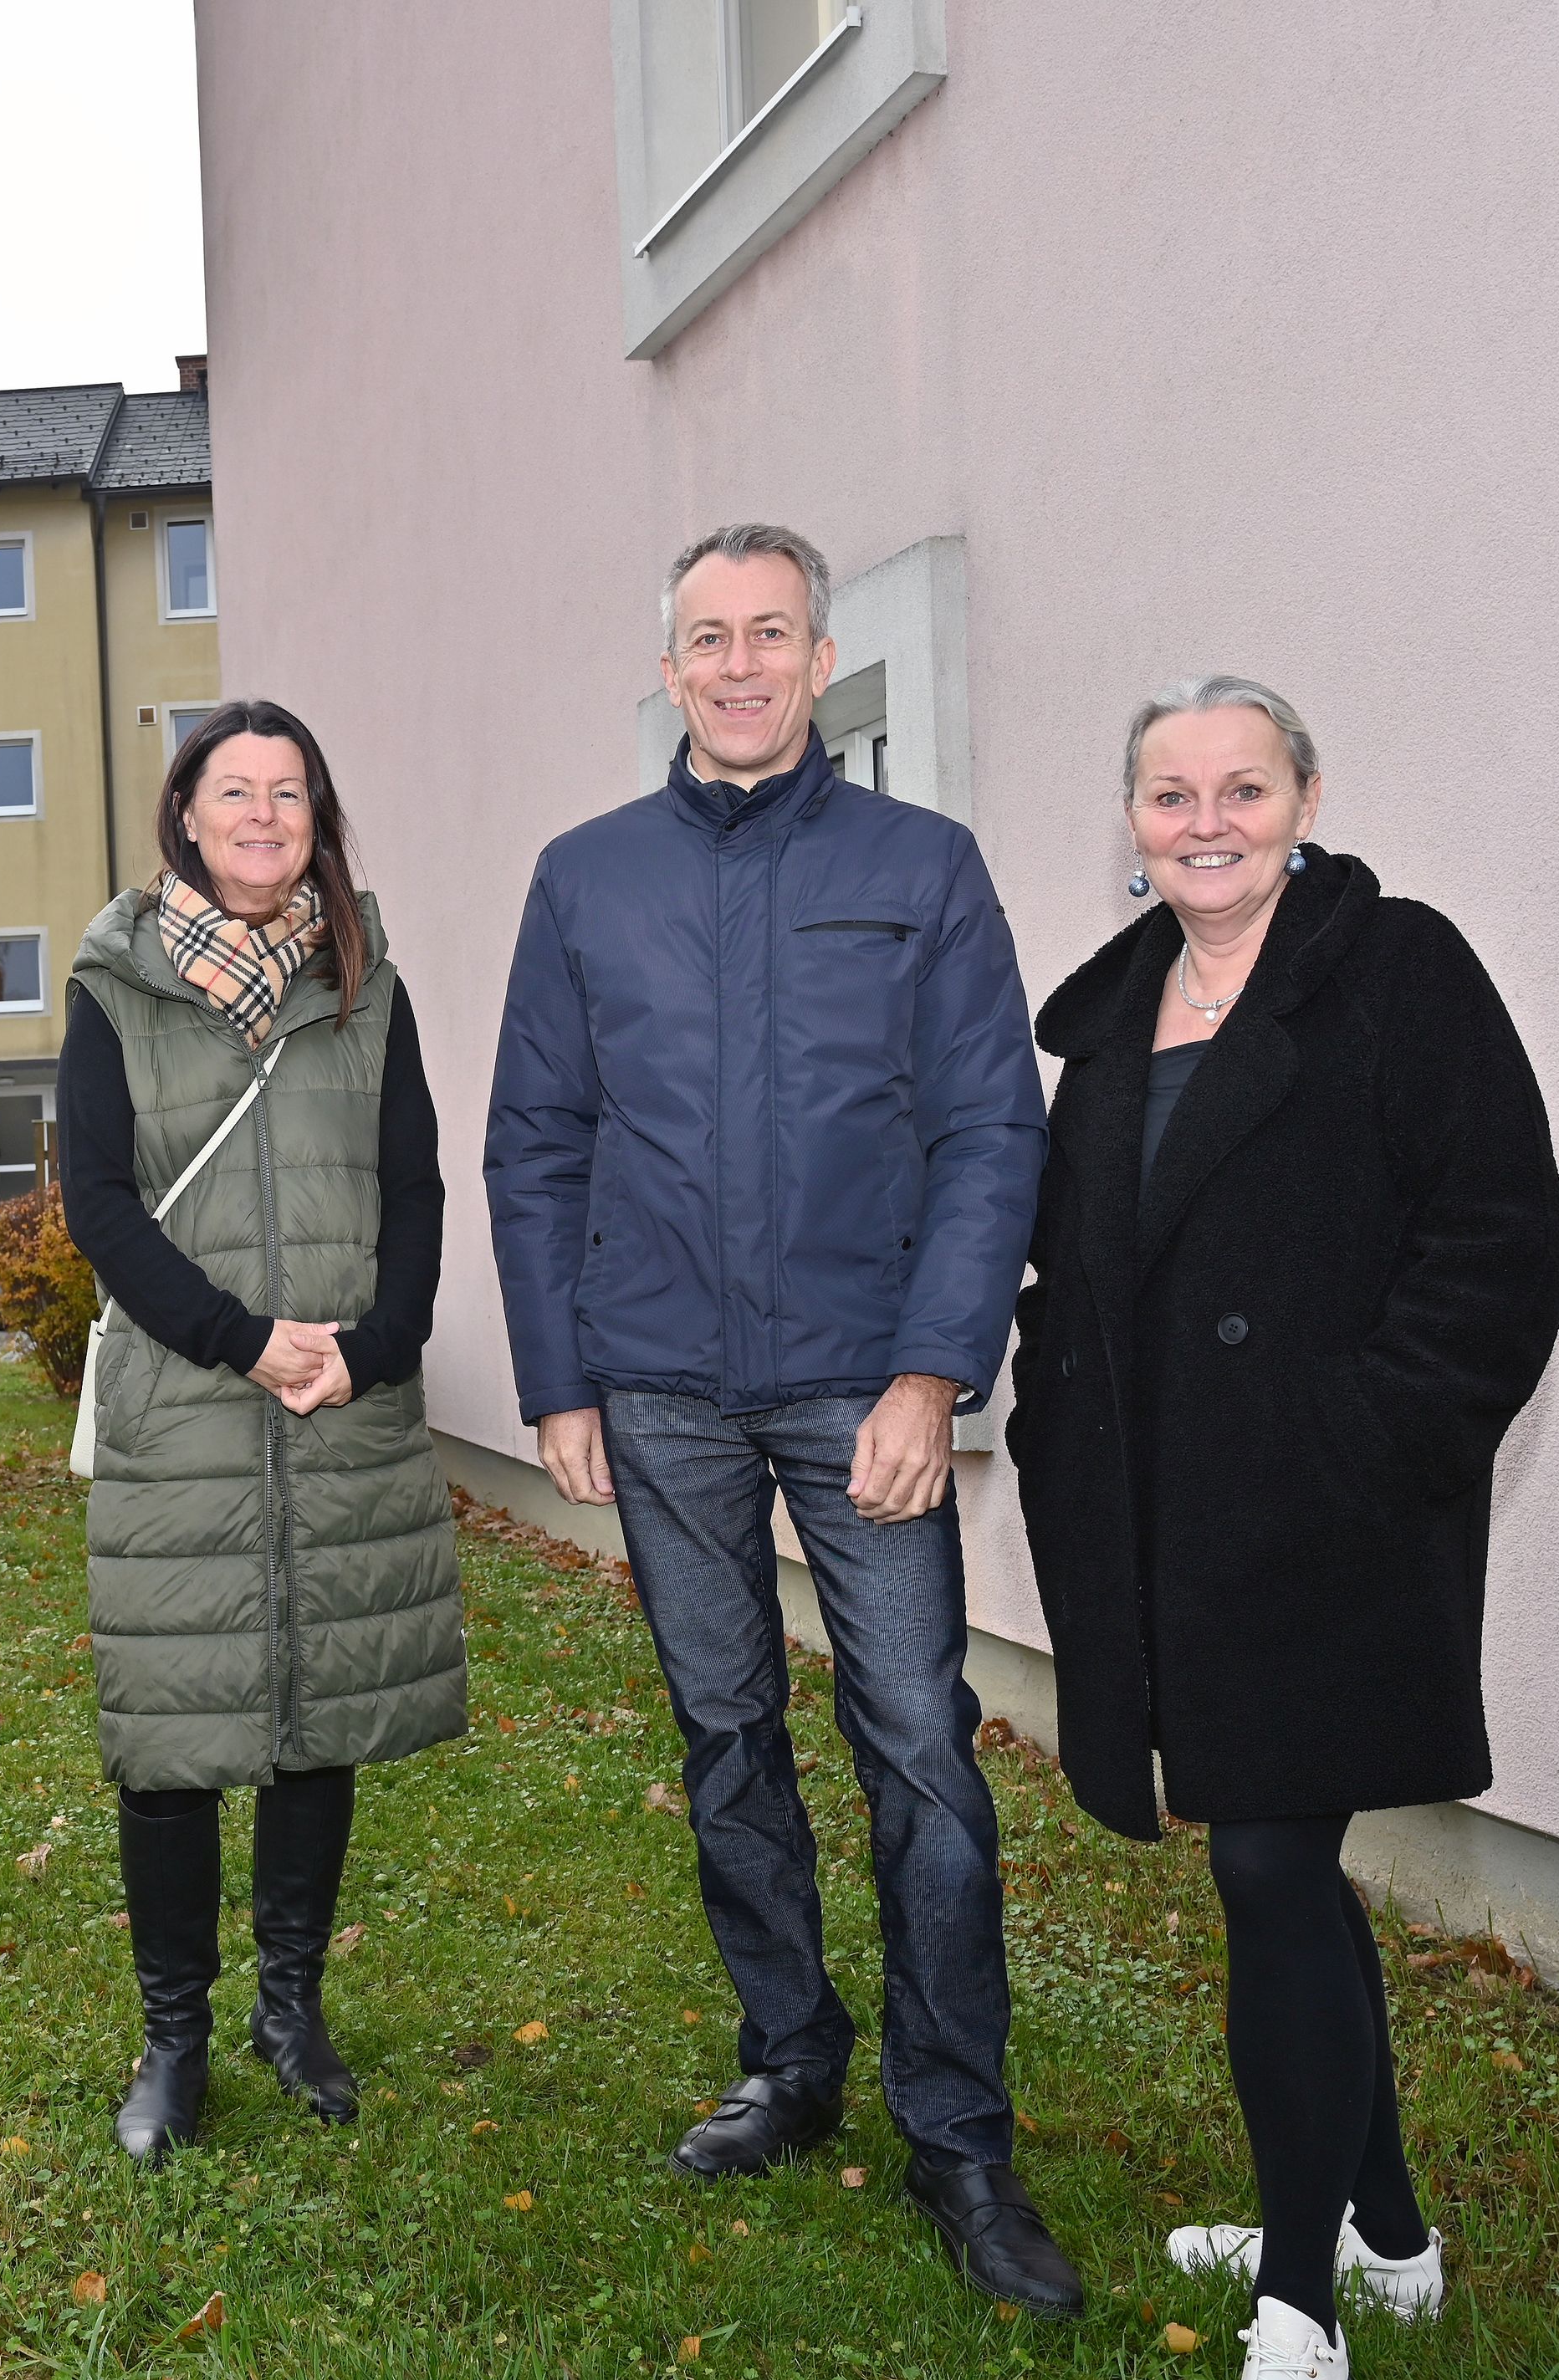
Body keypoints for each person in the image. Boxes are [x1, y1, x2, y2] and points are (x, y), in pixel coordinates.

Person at [486, 523, 1078, 2315]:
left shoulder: (920, 865)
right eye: (702, 639)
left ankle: (956, 2136)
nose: (736, 664)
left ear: (819, 661)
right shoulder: (584, 881)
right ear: (664, 671)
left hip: (858, 1382)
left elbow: (991, 1131)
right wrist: (557, 1375)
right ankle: (791, 2053)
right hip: (654, 1383)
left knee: (914, 1741)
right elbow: (536, 1142)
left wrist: (928, 1373)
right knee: (724, 1729)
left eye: (768, 634)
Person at [1004, 677, 1559, 2378]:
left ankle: (1299, 2304)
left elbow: (1496, 1233)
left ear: (1301, 794)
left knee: (1261, 1860)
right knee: (1283, 1874)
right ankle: (1380, 2232)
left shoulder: (1398, 974)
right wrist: (1050, 1425)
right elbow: (1067, 1270)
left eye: (1238, 788)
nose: (1204, 821)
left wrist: (1367, 1429)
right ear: (1131, 820)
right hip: (1162, 1523)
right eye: (1168, 795)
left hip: (1325, 1514)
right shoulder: (1109, 1024)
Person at [59, 697, 465, 2167]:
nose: (262, 816)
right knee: (173, 1733)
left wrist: (375, 1343)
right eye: (235, 791)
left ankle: (290, 2011)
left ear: (317, 819)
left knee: (319, 1708)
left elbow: (414, 1185)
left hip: (341, 1401)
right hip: (190, 1400)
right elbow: (98, 1199)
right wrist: (243, 1338)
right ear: (186, 812)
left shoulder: (370, 982)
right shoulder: (116, 983)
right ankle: (175, 2039)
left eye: (289, 794)